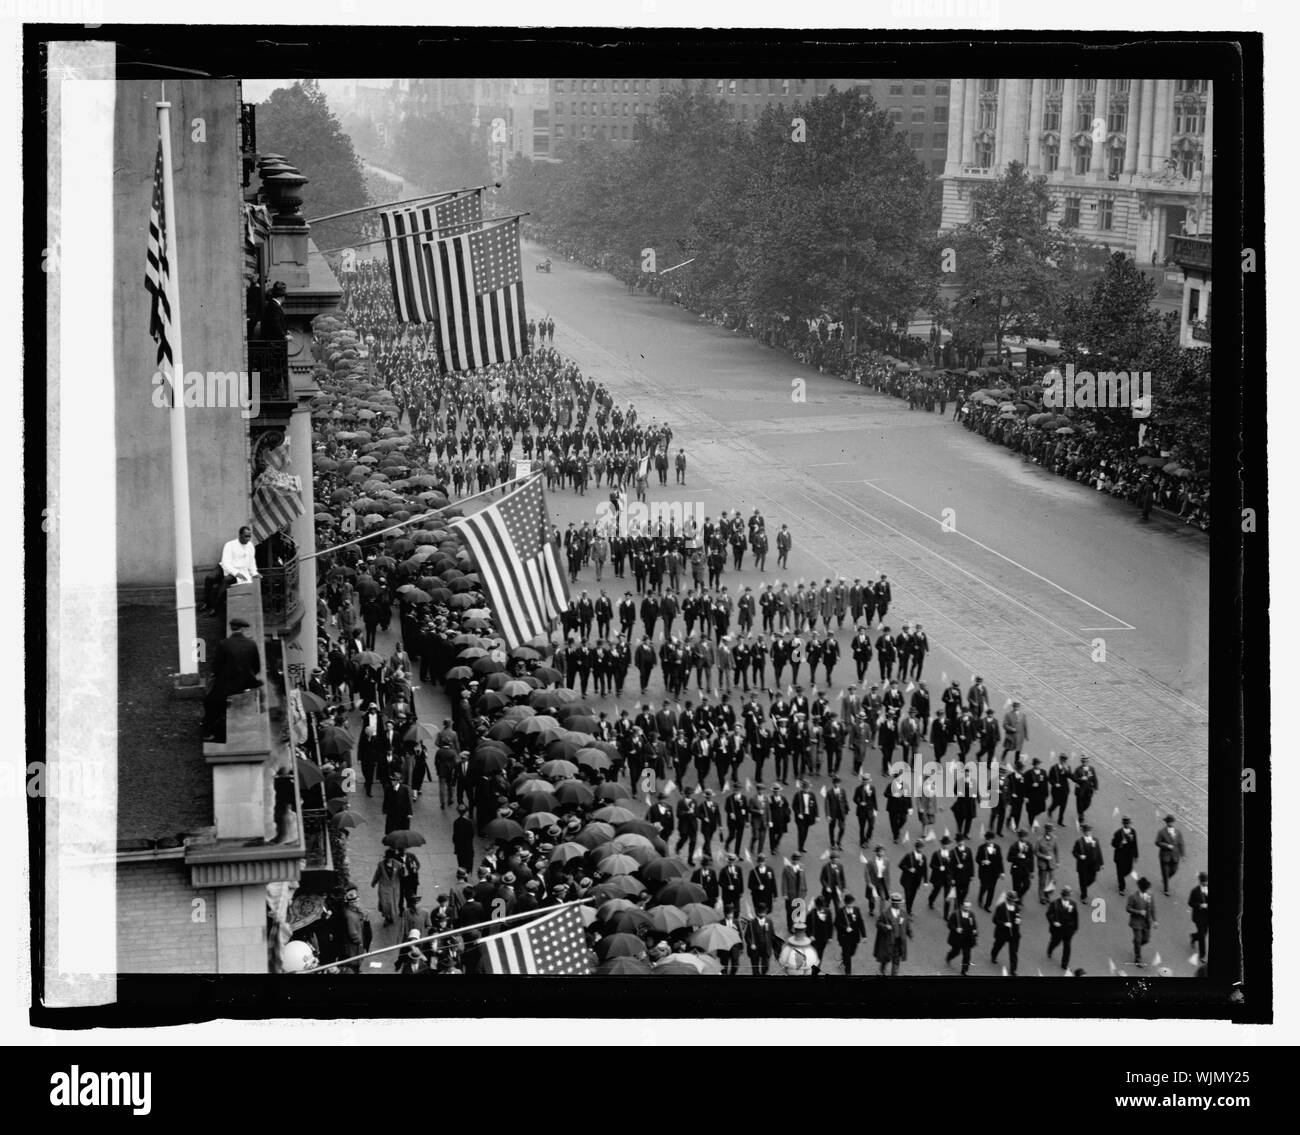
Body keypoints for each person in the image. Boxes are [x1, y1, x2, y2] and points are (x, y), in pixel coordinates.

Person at [201, 616, 262, 743]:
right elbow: (256, 667)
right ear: (243, 629)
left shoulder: (223, 644)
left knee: (210, 702)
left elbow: (216, 667)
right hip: (246, 683)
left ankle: (207, 732)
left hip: (227, 685)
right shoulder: (251, 644)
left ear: (231, 629)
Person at [202, 525, 260, 616]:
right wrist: (236, 573)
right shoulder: (230, 545)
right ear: (240, 535)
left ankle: (215, 607)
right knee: (210, 578)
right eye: (246, 536)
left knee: (226, 581)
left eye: (249, 536)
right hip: (224, 567)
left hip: (239, 570)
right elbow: (225, 562)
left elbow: (251, 561)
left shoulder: (250, 546)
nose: (248, 539)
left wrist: (254, 572)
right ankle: (206, 602)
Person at [873, 893, 911, 976]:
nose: (900, 905)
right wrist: (885, 926)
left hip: (898, 941)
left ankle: (894, 974)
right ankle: (882, 968)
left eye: (900, 903)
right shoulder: (885, 914)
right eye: (899, 904)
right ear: (894, 904)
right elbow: (878, 923)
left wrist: (909, 932)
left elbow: (906, 924)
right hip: (888, 940)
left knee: (896, 959)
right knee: (886, 958)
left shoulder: (903, 913)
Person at [1046, 884, 1080, 970]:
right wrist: (1054, 922)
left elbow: (1075, 916)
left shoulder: (1073, 904)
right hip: (1058, 929)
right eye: (1067, 896)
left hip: (1068, 930)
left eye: (1069, 896)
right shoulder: (1055, 904)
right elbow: (1048, 914)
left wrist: (1075, 928)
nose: (1068, 897)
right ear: (1063, 895)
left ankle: (1064, 964)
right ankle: (1050, 949)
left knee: (1067, 947)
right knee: (1056, 942)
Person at [1126, 876, 1158, 967]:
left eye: (1147, 889)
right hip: (1136, 922)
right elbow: (1128, 908)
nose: (1146, 891)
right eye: (1144, 889)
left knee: (1146, 939)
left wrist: (1155, 920)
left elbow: (1152, 908)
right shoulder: (1133, 896)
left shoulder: (1150, 895)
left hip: (1146, 922)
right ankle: (1138, 958)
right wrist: (1139, 912)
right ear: (1140, 888)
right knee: (1138, 939)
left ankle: (1136, 945)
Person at [990, 891, 1022, 975]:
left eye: (1014, 901)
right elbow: (994, 920)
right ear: (1008, 900)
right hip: (1002, 932)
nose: (1013, 902)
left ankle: (1013, 969)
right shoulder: (1001, 907)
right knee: (998, 945)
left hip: (1014, 933)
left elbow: (1018, 916)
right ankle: (993, 955)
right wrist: (1004, 924)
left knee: (1013, 952)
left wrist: (1018, 920)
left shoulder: (1017, 907)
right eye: (1012, 901)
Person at [835, 893, 868, 974]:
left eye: (852, 903)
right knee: (847, 955)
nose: (852, 905)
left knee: (851, 952)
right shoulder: (840, 911)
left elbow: (860, 922)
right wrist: (845, 928)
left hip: (854, 936)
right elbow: (836, 923)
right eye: (850, 903)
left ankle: (843, 958)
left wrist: (864, 935)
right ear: (846, 903)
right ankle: (848, 972)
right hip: (844, 937)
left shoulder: (856, 910)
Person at [371, 848, 404, 927]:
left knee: (393, 904)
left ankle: (391, 916)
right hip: (384, 887)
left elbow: (402, 875)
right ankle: (387, 917)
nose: (389, 860)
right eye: (387, 858)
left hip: (394, 888)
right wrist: (374, 882)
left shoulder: (398, 864)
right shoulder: (381, 865)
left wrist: (403, 868)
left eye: (390, 858)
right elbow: (377, 874)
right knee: (385, 904)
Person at [1071, 823, 1104, 901]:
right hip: (1083, 865)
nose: (1089, 833)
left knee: (1092, 879)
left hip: (1092, 865)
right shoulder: (1079, 842)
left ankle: (1083, 887)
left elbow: (1099, 852)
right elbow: (1074, 852)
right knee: (1083, 879)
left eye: (1090, 831)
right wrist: (1079, 856)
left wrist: (1101, 863)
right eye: (1087, 831)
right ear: (1084, 832)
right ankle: (1084, 896)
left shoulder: (1095, 840)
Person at [945, 899, 979, 975]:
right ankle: (949, 957)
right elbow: (949, 924)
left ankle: (964, 970)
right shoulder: (955, 914)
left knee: (967, 955)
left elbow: (974, 925)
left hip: (967, 939)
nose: (968, 908)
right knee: (956, 952)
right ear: (962, 906)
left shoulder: (971, 914)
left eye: (969, 907)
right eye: (966, 907)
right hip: (958, 938)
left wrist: (975, 931)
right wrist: (956, 929)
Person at [1154, 815, 1185, 895]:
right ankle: (1166, 889)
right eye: (1168, 822)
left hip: (1175, 856)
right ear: (1166, 823)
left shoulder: (1178, 832)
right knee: (1165, 871)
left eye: (1171, 822)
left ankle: (1165, 879)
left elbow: (1181, 844)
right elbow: (1157, 842)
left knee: (1174, 870)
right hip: (1165, 856)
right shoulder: (1161, 832)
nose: (1170, 823)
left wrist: (1183, 855)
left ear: (1173, 822)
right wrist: (1166, 845)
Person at [743, 905, 779, 974]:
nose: (762, 914)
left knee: (766, 966)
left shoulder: (769, 921)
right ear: (757, 913)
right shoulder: (752, 923)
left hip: (766, 949)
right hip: (755, 949)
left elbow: (772, 935)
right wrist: (751, 944)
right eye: (761, 912)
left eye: (764, 912)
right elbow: (747, 936)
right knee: (755, 969)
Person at [1112, 815, 1139, 893]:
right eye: (1126, 824)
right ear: (1123, 824)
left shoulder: (1133, 832)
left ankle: (1120, 878)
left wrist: (1136, 855)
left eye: (1129, 823)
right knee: (1120, 872)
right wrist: (1120, 844)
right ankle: (1121, 888)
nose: (1128, 825)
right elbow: (1113, 843)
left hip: (1129, 856)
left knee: (1128, 870)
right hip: (1120, 856)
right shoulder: (1118, 833)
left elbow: (1135, 844)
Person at [1188, 871, 1209, 964]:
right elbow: (1190, 903)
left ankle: (1193, 936)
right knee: (1202, 936)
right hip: (1199, 917)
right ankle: (1202, 955)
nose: (1205, 883)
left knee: (1204, 934)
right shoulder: (1195, 891)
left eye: (1206, 881)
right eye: (1204, 881)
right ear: (1200, 881)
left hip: (1208, 916)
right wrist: (1200, 905)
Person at [452, 805, 476, 873]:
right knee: (468, 860)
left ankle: (461, 871)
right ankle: (467, 871)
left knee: (461, 860)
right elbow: (471, 834)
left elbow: (455, 834)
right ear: (466, 812)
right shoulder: (469, 822)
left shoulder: (456, 822)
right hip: (467, 845)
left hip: (459, 846)